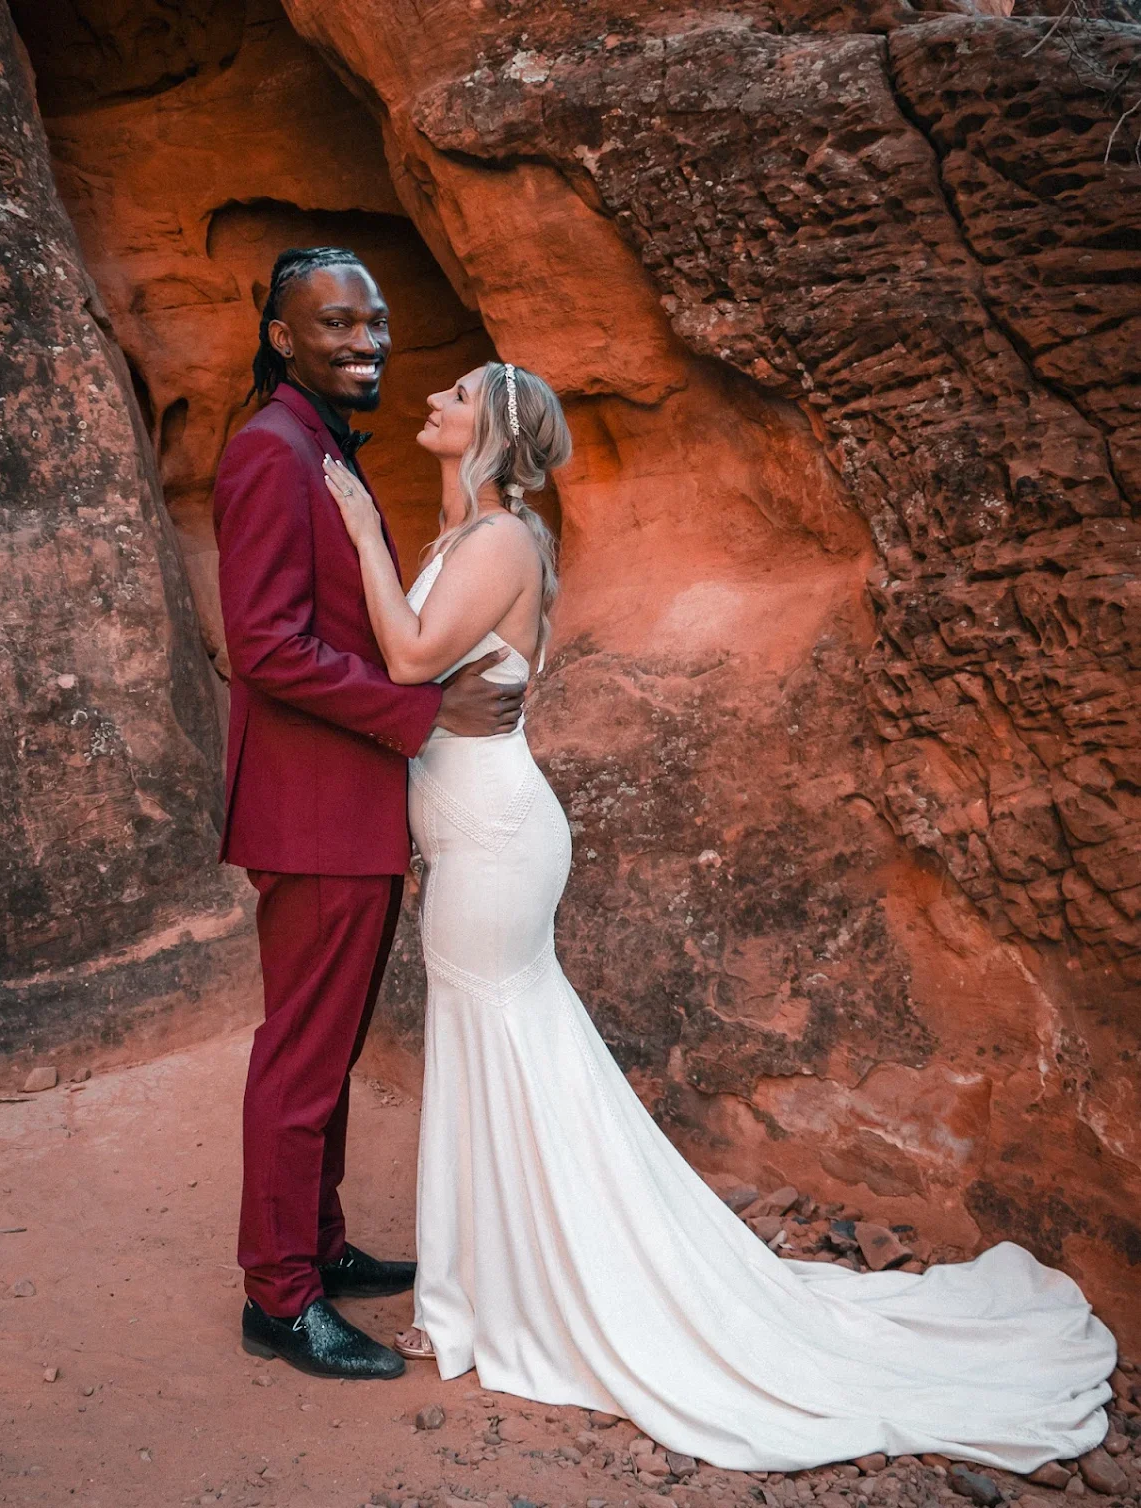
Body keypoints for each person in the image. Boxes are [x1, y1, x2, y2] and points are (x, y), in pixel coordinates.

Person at [322, 358, 1117, 1469]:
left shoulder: (497, 539)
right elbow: (422, 680)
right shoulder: (470, 536)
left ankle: (491, 1298)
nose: (432, 403)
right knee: (499, 1044)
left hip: (497, 833)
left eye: (455, 397)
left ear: (492, 432)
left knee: (499, 1040)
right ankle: (480, 1290)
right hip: (471, 827)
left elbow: (408, 658)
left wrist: (358, 525)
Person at [213, 247, 525, 1381]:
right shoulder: (269, 449)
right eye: (337, 324)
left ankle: (319, 1245)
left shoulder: (313, 444)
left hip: (347, 805)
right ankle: (278, 1296)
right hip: (313, 808)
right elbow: (265, 647)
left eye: (376, 323)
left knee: (328, 1051)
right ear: (284, 334)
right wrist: (420, 706)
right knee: (301, 1058)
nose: (367, 342)